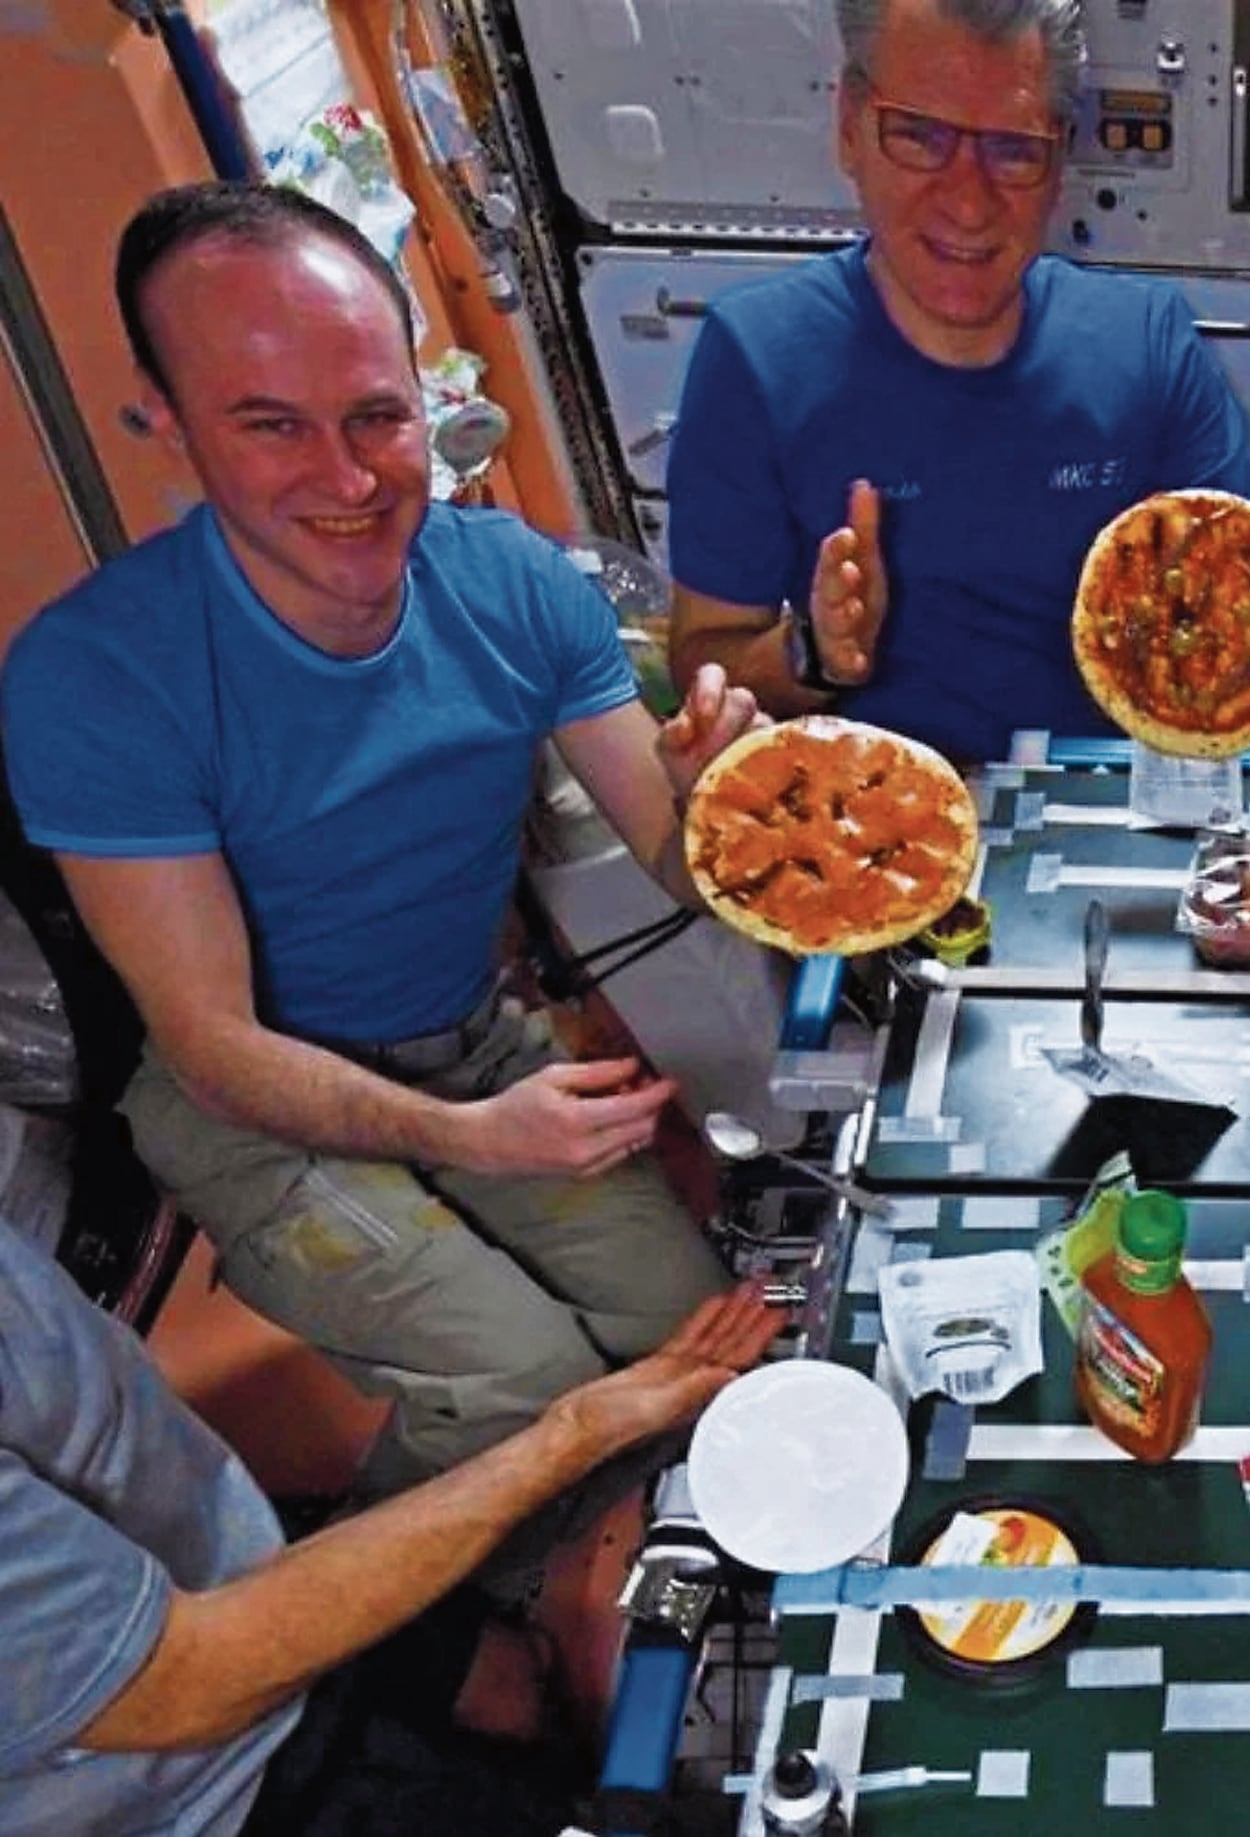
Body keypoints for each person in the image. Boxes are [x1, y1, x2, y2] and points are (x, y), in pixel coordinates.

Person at [0, 182, 752, 1578]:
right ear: (163, 421)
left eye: (377, 417)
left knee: (691, 1328)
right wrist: (482, 1142)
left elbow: (679, 853)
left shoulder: (515, 582)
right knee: (525, 1379)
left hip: (471, 1042)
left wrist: (730, 801)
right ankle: (398, 1639)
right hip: (254, 1108)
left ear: (427, 396)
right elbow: (215, 1051)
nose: (349, 481)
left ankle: (570, 1551)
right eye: (270, 425)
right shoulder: (95, 678)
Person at [664, 0, 1250, 762]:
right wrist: (817, 651)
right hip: (875, 826)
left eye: (1013, 149)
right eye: (918, 136)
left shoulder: (1145, 342)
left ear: (1060, 159)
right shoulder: (757, 354)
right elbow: (706, 654)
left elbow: (1243, 682)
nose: (970, 201)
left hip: (1118, 806)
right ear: (848, 127)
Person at [0, 1217, 781, 1837]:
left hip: (259, 1567)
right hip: (224, 1789)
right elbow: (189, 1681)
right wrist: (573, 1433)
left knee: (513, 1685)